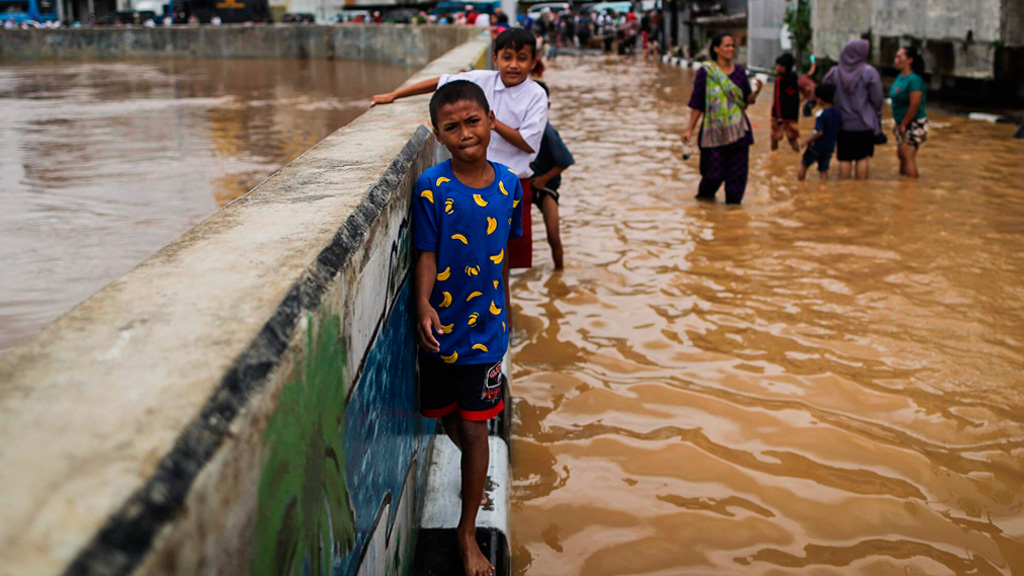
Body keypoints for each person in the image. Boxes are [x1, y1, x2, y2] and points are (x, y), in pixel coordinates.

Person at [412, 80, 523, 576]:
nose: (465, 134)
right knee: (447, 418)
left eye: (473, 122)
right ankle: (475, 477)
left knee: (476, 430)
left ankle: (466, 532)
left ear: (491, 122)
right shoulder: (432, 187)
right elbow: (428, 254)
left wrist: (506, 310)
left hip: (486, 336)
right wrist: (422, 305)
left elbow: (500, 259)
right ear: (438, 134)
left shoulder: (509, 185)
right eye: (451, 127)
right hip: (440, 330)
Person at [371, 28, 547, 272]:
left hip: (513, 183)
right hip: (470, 181)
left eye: (522, 58)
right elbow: (441, 82)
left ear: (533, 62)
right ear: (495, 59)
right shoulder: (481, 79)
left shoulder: (536, 95)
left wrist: (490, 123)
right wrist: (394, 95)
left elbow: (528, 142)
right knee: (471, 255)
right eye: (507, 58)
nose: (513, 65)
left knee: (506, 260)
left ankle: (504, 308)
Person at [681, 32, 764, 205]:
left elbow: (745, 103)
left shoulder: (740, 73)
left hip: (738, 134)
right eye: (727, 45)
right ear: (716, 48)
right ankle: (704, 210)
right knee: (713, 176)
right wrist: (689, 129)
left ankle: (732, 223)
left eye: (733, 46)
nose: (731, 49)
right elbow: (697, 103)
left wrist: (756, 92)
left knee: (736, 184)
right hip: (713, 134)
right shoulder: (706, 73)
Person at [822, 39, 883, 180]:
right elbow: (878, 99)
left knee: (844, 158)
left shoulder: (834, 72)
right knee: (862, 158)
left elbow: (823, 92)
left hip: (842, 124)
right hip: (865, 123)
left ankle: (845, 192)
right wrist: (877, 116)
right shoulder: (869, 72)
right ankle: (860, 192)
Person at [529, 81, 574, 269]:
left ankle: (559, 271)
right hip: (525, 184)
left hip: (545, 187)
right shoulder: (519, 127)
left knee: (553, 235)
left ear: (547, 107)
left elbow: (565, 161)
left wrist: (543, 179)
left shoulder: (548, 132)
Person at [891, 45, 929, 178]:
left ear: (909, 60)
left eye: (899, 57)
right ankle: (903, 187)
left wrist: (904, 124)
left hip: (913, 122)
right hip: (902, 122)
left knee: (907, 155)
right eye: (896, 57)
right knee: (901, 154)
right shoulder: (900, 77)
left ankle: (911, 189)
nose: (896, 60)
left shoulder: (915, 80)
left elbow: (915, 104)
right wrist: (898, 123)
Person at [798, 83, 842, 181]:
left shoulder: (821, 114)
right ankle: (823, 186)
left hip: (816, 147)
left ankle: (800, 184)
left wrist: (807, 141)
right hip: (828, 148)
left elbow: (819, 132)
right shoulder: (837, 113)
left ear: (820, 99)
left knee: (804, 165)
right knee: (823, 170)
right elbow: (839, 127)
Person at [771, 52, 801, 152]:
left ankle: (773, 156)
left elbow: (777, 98)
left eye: (778, 65)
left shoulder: (780, 79)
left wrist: (779, 117)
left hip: (779, 115)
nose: (776, 67)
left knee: (775, 137)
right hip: (791, 115)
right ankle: (797, 154)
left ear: (783, 67)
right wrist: (795, 117)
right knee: (792, 138)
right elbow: (796, 99)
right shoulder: (794, 78)